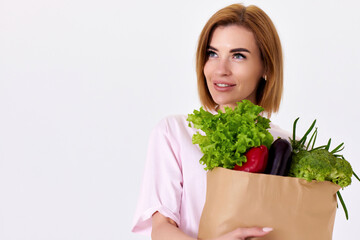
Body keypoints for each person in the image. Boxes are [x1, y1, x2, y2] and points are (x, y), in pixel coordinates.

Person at [132, 3, 289, 239]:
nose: (220, 69)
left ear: (266, 66)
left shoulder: (286, 145)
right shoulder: (176, 133)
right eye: (212, 54)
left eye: (238, 56)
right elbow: (161, 228)